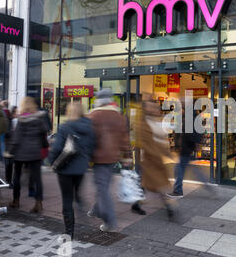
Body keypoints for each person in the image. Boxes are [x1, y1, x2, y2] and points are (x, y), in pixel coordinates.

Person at [87, 88, 132, 232]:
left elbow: (88, 138)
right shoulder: (119, 116)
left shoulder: (93, 115)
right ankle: (95, 210)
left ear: (98, 100)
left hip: (99, 157)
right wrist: (127, 155)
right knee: (103, 186)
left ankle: (110, 222)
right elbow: (125, 138)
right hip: (113, 157)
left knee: (102, 188)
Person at [48, 102, 95, 240]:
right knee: (76, 193)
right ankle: (80, 204)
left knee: (67, 199)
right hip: (81, 168)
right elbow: (92, 147)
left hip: (65, 169)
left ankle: (69, 231)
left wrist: (52, 162)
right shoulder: (90, 127)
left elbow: (57, 149)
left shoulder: (65, 127)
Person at [135, 94, 174, 218]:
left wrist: (166, 152)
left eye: (156, 107)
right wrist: (159, 153)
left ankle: (136, 204)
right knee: (158, 185)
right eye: (152, 107)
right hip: (148, 158)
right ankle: (169, 208)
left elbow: (161, 138)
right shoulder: (142, 123)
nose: (155, 110)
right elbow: (147, 143)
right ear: (146, 109)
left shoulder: (157, 121)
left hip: (154, 159)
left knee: (147, 183)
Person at [8, 97, 49, 213]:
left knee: (16, 177)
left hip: (20, 153)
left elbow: (16, 138)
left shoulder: (22, 119)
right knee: (37, 178)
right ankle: (38, 203)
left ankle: (16, 201)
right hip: (35, 152)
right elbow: (43, 134)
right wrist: (45, 146)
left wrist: (10, 151)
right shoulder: (39, 119)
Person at [167, 106, 209, 198]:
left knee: (179, 168)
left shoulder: (191, 119)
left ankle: (178, 190)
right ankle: (208, 185)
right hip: (188, 148)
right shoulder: (192, 118)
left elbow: (191, 133)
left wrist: (189, 142)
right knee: (194, 170)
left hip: (187, 148)